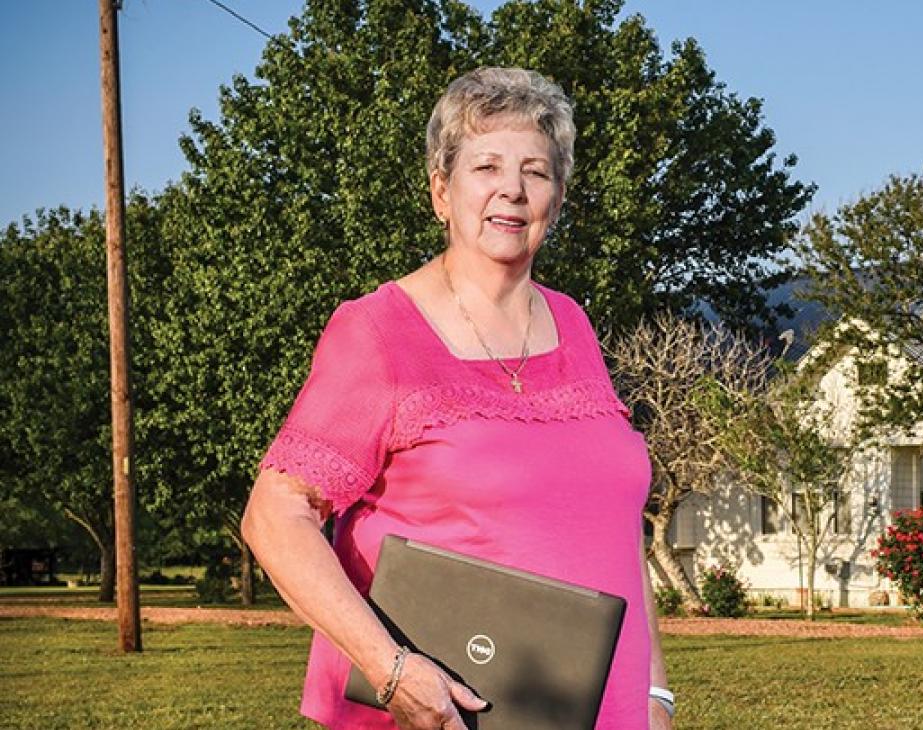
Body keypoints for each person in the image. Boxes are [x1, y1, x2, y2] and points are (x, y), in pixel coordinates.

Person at [242, 67, 674, 730]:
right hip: (443, 717)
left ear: (556, 199)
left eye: (536, 170)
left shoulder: (575, 326)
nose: (513, 188)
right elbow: (276, 516)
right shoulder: (380, 331)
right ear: (441, 191)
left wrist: (654, 695)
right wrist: (390, 672)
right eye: (487, 166)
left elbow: (617, 529)